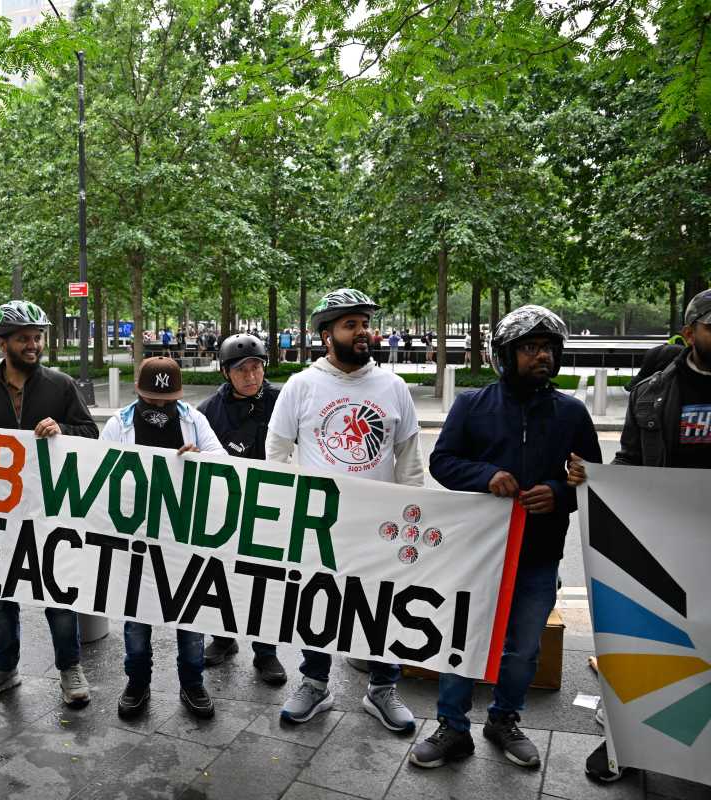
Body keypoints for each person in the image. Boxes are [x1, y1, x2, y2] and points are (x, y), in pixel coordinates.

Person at [410, 304, 602, 770]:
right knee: (464, 640)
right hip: (477, 552)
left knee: (523, 649)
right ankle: (452, 727)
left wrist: (558, 492)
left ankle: (504, 720)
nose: (542, 357)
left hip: (538, 555)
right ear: (505, 354)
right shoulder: (471, 405)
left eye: (549, 349)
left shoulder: (572, 412)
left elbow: (593, 480)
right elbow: (443, 462)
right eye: (531, 348)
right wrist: (486, 475)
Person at [568, 288, 711, 782]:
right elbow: (630, 460)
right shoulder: (651, 391)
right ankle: (629, 744)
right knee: (657, 642)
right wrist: (600, 484)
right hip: (666, 542)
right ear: (690, 333)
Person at [266, 288, 423, 733]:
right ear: (326, 335)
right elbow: (276, 452)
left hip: (382, 526)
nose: (362, 332)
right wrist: (291, 504)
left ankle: (382, 689)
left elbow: (409, 460)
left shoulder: (393, 387)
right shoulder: (301, 386)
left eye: (365, 323)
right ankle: (315, 684)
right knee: (317, 603)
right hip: (322, 525)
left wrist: (415, 513)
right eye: (350, 324)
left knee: (383, 605)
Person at [0, 300, 97, 707]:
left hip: (50, 510)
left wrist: (62, 429)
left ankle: (70, 668)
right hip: (2, 514)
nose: (33, 345)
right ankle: (4, 669)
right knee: (1, 600)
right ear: (2, 343)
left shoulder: (60, 385)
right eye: (24, 338)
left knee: (58, 598)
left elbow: (90, 433)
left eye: (37, 337)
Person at [102, 357, 223, 719]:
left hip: (184, 537)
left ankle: (192, 683)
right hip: (137, 537)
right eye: (151, 399)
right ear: (138, 392)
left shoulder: (193, 420)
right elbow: (98, 469)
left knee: (191, 616)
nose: (158, 406)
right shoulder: (118, 424)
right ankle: (137, 682)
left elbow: (222, 461)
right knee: (136, 619)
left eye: (165, 399)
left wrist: (201, 459)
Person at [196, 334, 286, 685]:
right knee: (221, 574)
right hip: (224, 504)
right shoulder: (208, 411)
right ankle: (222, 637)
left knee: (263, 578)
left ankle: (266, 652)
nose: (251, 376)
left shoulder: (282, 401)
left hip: (270, 505)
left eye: (256, 368)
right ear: (225, 372)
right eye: (241, 370)